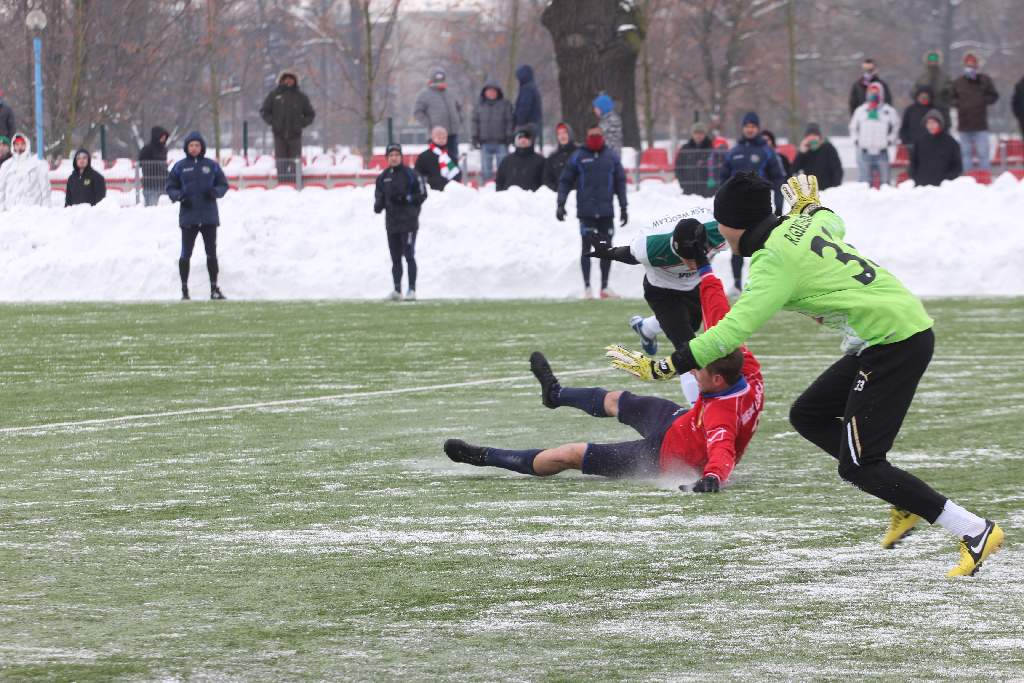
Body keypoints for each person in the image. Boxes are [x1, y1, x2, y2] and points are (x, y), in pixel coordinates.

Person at [606, 171, 1005, 577]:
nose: (719, 233)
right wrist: (814, 206)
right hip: (893, 332)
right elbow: (831, 221)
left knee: (860, 466)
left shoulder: (772, 262)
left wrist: (667, 366)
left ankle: (974, 530)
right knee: (809, 415)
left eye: (721, 223)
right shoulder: (802, 223)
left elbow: (730, 332)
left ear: (735, 224)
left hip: (893, 343)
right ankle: (903, 499)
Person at [444, 245, 764, 494]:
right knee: (616, 399)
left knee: (568, 455)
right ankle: (555, 394)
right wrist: (704, 267)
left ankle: (484, 455)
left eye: (698, 371)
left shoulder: (723, 414)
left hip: (659, 455)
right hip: (677, 420)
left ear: (718, 379)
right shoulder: (743, 364)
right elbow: (719, 314)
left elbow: (722, 451)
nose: (691, 372)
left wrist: (711, 479)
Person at [591, 211, 728, 405]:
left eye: (695, 258)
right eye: (683, 258)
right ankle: (700, 412)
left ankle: (645, 328)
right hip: (661, 292)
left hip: (695, 287)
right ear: (673, 246)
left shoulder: (720, 228)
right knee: (688, 351)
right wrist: (607, 252)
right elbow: (630, 254)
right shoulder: (650, 244)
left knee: (692, 324)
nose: (689, 265)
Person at [556, 123, 627, 299]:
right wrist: (561, 203)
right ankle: (587, 288)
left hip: (605, 213)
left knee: (606, 250)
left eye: (598, 135)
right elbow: (565, 180)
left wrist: (624, 207)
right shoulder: (578, 156)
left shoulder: (611, 157)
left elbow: (620, 183)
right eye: (591, 135)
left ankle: (604, 288)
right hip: (586, 212)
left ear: (602, 136)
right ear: (587, 136)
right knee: (587, 248)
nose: (595, 138)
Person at [719, 111, 786, 292]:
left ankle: (762, 283)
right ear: (743, 128)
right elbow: (723, 179)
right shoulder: (734, 152)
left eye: (753, 126)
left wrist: (779, 204)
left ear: (757, 128)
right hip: (736, 208)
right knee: (736, 246)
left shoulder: (767, 151)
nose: (750, 129)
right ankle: (737, 284)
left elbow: (779, 178)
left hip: (759, 209)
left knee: (763, 244)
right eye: (747, 126)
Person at [166, 131, 229, 301]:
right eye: (191, 145)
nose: (194, 148)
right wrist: (179, 196)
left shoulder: (211, 165)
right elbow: (170, 186)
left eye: (197, 145)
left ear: (202, 147)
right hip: (188, 217)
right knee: (186, 253)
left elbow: (223, 184)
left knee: (211, 253)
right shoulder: (180, 166)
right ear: (187, 147)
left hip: (209, 217)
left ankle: (214, 289)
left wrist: (215, 192)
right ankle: (184, 290)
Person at [374, 143, 428, 301]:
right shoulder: (383, 177)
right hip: (392, 223)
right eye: (391, 155)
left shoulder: (411, 174)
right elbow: (379, 196)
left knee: (409, 255)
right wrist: (378, 204)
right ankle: (397, 290)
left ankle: (411, 289)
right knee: (395, 258)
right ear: (387, 158)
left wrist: (407, 199)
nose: (394, 158)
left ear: (401, 157)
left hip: (408, 222)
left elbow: (422, 194)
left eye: (397, 155)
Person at [260, 70, 316, 184]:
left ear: (295, 80)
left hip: (295, 135)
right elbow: (264, 111)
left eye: (291, 78)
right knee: (281, 162)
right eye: (286, 78)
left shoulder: (301, 97)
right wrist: (273, 122)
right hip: (279, 135)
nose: (288, 80)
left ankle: (296, 184)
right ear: (281, 80)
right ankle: (282, 186)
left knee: (295, 162)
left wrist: (301, 123)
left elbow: (310, 114)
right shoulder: (274, 95)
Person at [952, 53, 999, 173]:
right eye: (968, 64)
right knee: (965, 154)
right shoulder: (958, 82)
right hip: (964, 124)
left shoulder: (984, 80)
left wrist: (982, 101)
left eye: (973, 64)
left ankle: (985, 178)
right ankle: (968, 178)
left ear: (977, 65)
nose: (970, 66)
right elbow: (951, 98)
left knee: (983, 153)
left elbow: (994, 96)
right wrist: (960, 103)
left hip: (980, 124)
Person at [849, 82, 899, 186]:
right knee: (864, 183)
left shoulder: (888, 111)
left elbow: (896, 126)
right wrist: (856, 140)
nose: (874, 94)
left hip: (882, 152)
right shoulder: (861, 110)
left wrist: (890, 139)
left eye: (876, 92)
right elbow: (853, 127)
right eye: (871, 92)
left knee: (885, 182)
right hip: (865, 152)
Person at [414, 67, 464, 170]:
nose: (440, 83)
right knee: (437, 161)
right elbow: (418, 112)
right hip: (436, 137)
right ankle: (439, 182)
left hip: (452, 134)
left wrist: (458, 121)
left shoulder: (451, 93)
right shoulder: (424, 95)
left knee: (452, 160)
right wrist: (431, 126)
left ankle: (454, 180)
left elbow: (459, 108)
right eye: (437, 81)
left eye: (442, 80)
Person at [471, 79, 513, 184]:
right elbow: (474, 122)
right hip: (485, 142)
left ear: (498, 92)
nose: (491, 93)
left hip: (501, 142)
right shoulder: (479, 105)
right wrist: (474, 136)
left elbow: (509, 121)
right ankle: (487, 188)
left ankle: (503, 187)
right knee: (486, 169)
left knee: (503, 167)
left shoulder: (505, 104)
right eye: (489, 91)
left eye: (494, 91)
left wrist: (509, 135)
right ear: (484, 92)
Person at [909, 110, 962, 187]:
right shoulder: (920, 142)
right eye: (928, 123)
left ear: (940, 123)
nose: (931, 125)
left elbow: (957, 167)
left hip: (943, 187)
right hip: (922, 187)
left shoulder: (950, 142)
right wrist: (917, 179)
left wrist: (947, 181)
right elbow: (913, 164)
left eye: (934, 122)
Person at [0, 133, 50, 210]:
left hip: (32, 212)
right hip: (11, 212)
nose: (19, 146)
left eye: (22, 144)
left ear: (27, 145)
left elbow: (45, 188)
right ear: (13, 146)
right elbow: (1, 189)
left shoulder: (36, 164)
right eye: (17, 144)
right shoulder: (7, 165)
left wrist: (46, 209)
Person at [792, 123, 843, 190]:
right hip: (810, 191)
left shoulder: (828, 148)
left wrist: (835, 187)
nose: (812, 138)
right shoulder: (804, 150)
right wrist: (801, 153)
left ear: (819, 137)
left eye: (814, 135)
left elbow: (837, 169)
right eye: (809, 136)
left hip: (827, 189)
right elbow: (794, 169)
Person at [673, 122, 715, 197]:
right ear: (692, 134)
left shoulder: (712, 149)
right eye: (696, 132)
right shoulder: (685, 149)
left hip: (708, 193)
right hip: (689, 192)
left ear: (705, 134)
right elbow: (678, 167)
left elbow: (717, 170)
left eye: (701, 132)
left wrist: (712, 188)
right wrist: (684, 184)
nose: (698, 135)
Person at [414, 126, 461, 192]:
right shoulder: (424, 156)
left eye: (444, 137)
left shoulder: (450, 156)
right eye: (439, 138)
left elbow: (456, 174)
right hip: (431, 192)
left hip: (449, 191)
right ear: (433, 138)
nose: (442, 140)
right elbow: (418, 174)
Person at [138, 126, 170, 206]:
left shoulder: (164, 149)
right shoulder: (147, 149)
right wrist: (157, 166)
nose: (164, 139)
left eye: (165, 137)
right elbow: (142, 164)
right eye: (162, 137)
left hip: (162, 183)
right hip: (150, 183)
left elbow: (163, 164)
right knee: (151, 209)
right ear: (156, 136)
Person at [513, 64, 543, 144]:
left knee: (523, 148)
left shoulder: (527, 88)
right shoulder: (533, 87)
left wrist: (519, 122)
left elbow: (524, 106)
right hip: (534, 123)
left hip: (527, 124)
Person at [543, 122, 577, 191]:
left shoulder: (579, 153)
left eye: (564, 132)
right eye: (559, 133)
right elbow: (547, 179)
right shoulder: (552, 157)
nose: (562, 136)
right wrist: (556, 189)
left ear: (570, 134)